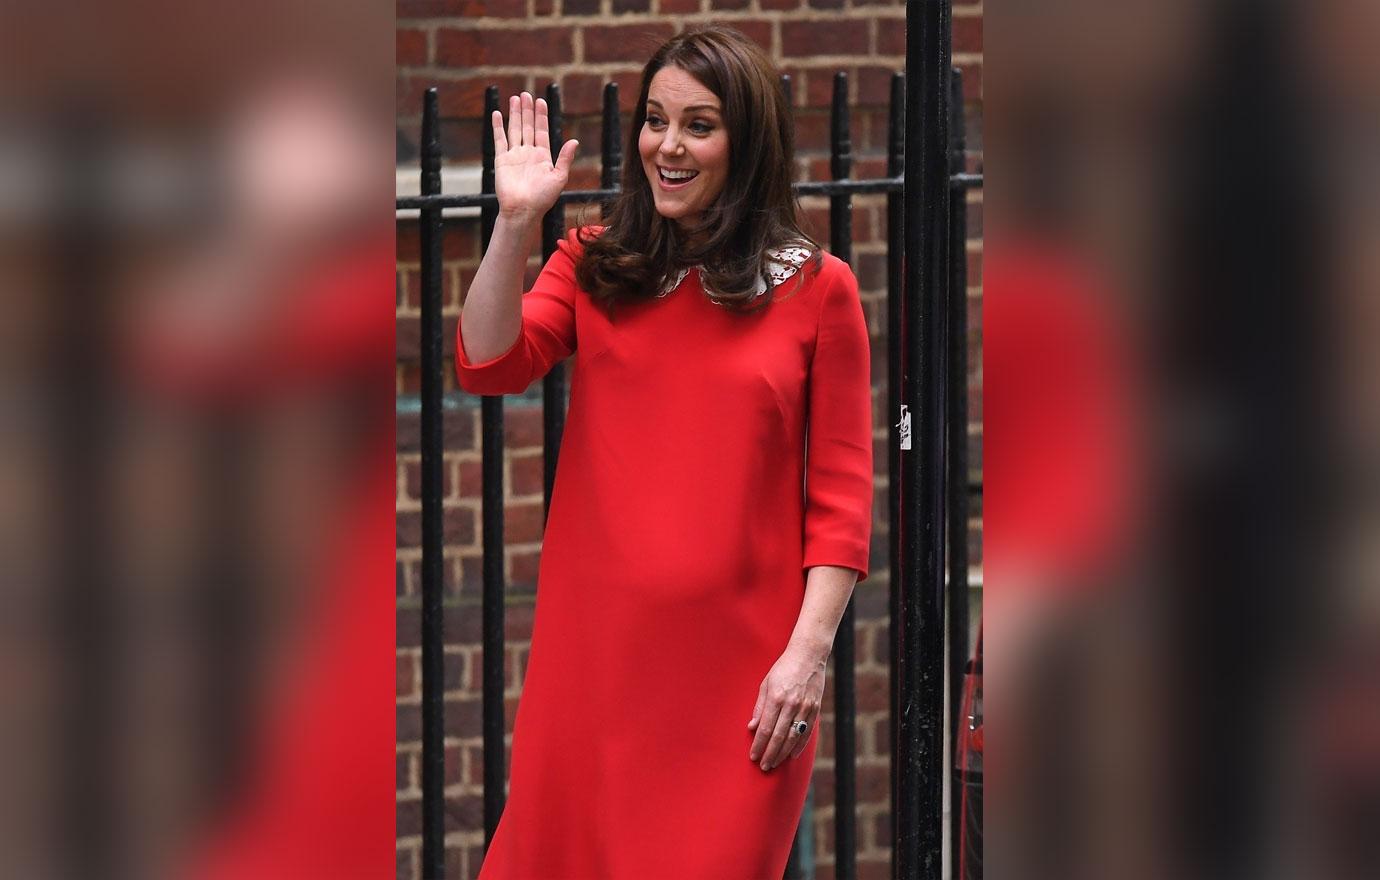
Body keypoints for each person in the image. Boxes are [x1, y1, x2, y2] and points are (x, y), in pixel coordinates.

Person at [457, 26, 873, 879]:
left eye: (699, 125)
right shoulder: (594, 263)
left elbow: (842, 493)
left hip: (741, 687)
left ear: (746, 143)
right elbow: (489, 363)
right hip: (596, 672)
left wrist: (807, 656)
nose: (668, 147)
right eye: (655, 120)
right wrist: (514, 224)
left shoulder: (818, 288)